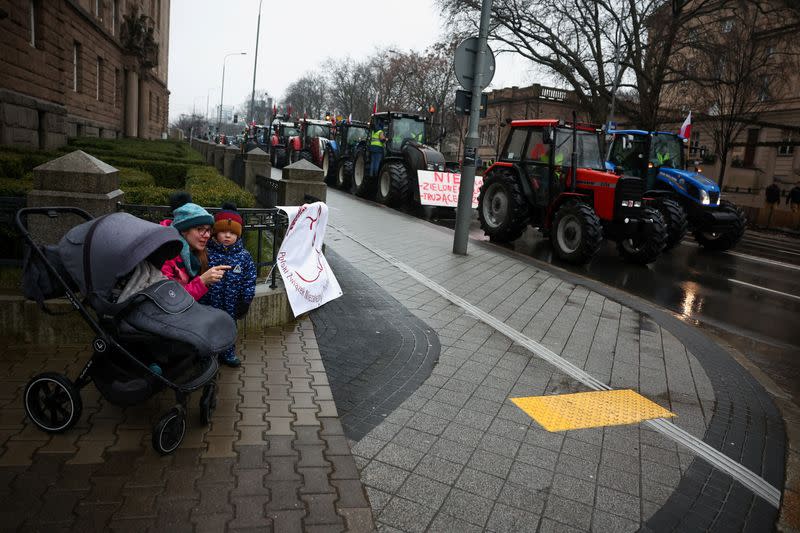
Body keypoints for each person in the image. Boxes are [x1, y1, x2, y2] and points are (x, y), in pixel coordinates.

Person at [200, 204, 256, 368]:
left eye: (232, 233)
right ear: (216, 233)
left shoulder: (243, 256)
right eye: (223, 231)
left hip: (232, 303)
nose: (227, 236)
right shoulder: (207, 253)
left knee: (229, 327)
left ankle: (228, 353)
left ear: (238, 235)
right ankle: (207, 355)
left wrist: (245, 300)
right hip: (209, 301)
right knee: (208, 327)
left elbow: (249, 279)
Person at [160, 192, 230, 301]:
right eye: (200, 229)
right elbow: (171, 299)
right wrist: (202, 281)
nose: (207, 235)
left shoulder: (197, 250)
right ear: (183, 230)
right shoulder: (165, 254)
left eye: (208, 230)